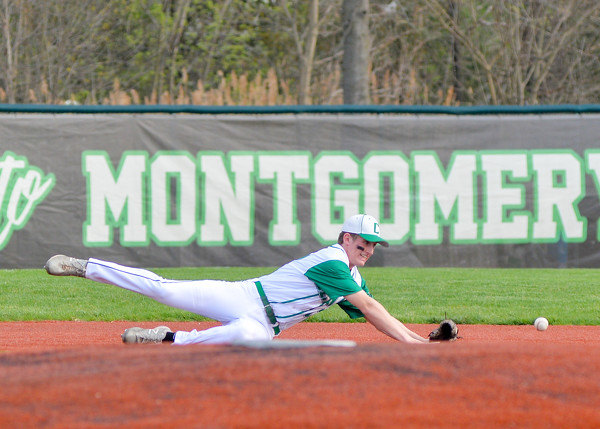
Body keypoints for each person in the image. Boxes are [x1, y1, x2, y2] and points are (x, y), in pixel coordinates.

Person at [44, 214, 429, 345]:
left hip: (265, 327)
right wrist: (416, 345)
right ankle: (86, 267)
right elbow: (371, 307)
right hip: (245, 297)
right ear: (346, 238)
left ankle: (166, 338)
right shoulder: (332, 261)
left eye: (374, 244)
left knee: (244, 339)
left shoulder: (352, 273)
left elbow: (374, 315)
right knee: (162, 288)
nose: (369, 249)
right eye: (364, 241)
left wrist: (420, 339)